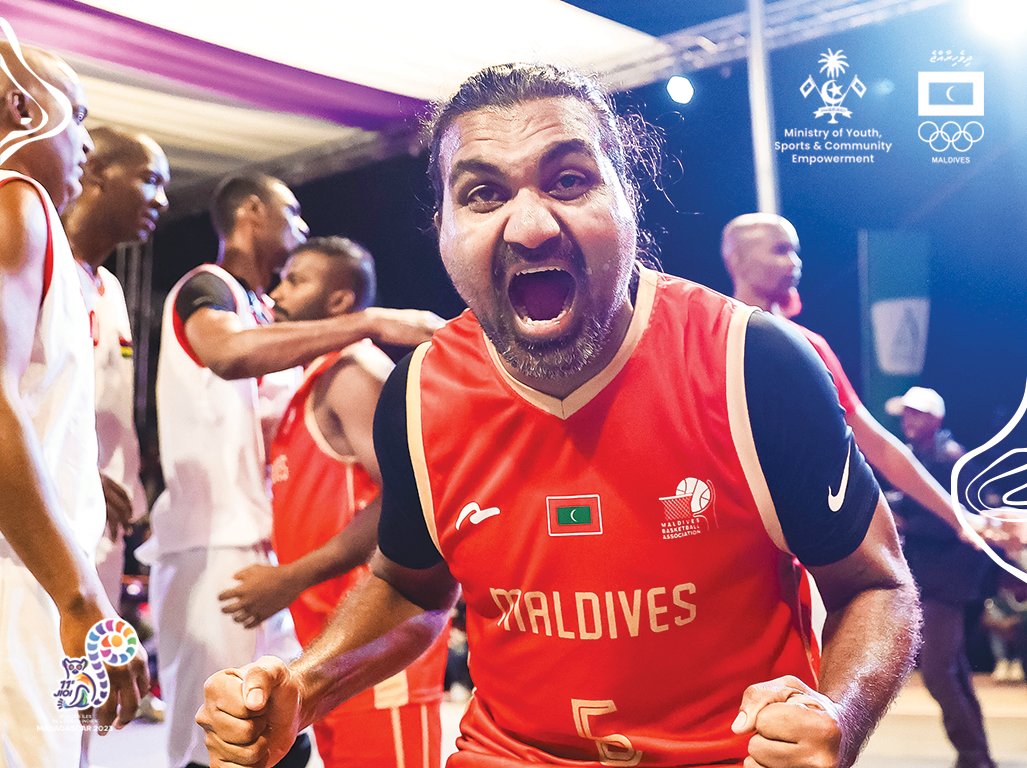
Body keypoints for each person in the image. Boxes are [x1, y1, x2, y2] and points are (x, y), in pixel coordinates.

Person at [198, 63, 921, 768]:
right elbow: (410, 587)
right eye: (482, 194)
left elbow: (876, 585)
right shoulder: (419, 391)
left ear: (627, 198)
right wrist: (303, 685)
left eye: (569, 180)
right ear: (443, 228)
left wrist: (836, 716)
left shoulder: (752, 363)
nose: (531, 225)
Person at [152, 173, 443, 768]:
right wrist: (370, 320)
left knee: (275, 737)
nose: (302, 227)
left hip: (279, 562)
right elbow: (230, 355)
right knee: (216, 746)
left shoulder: (292, 329)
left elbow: (406, 487)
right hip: (217, 549)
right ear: (252, 212)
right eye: (292, 212)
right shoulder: (210, 287)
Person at [217, 236, 449, 767]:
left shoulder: (352, 374)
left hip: (378, 648)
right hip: (335, 651)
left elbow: (406, 501)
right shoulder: (311, 382)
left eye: (296, 280)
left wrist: (290, 576)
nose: (276, 293)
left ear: (341, 302)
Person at [0, 40, 148, 766]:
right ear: (24, 109)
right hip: (21, 580)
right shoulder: (15, 200)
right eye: (78, 117)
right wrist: (83, 602)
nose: (85, 144)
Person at [721, 213, 987, 541]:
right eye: (780, 250)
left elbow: (877, 445)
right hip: (730, 525)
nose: (794, 262)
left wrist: (957, 519)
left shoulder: (809, 346)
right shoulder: (712, 340)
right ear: (738, 260)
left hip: (798, 534)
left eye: (795, 251)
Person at [62, 125, 170, 605]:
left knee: (88, 676)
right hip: (47, 516)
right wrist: (79, 471)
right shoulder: (37, 265)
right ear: (96, 174)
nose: (162, 201)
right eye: (150, 180)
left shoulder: (109, 285)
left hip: (106, 520)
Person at [885, 386, 997, 767]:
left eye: (916, 414)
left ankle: (972, 755)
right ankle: (976, 756)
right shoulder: (922, 456)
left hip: (946, 581)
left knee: (936, 672)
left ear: (936, 419)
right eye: (905, 414)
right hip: (934, 579)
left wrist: (905, 522)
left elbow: (963, 521)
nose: (908, 421)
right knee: (954, 670)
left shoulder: (951, 459)